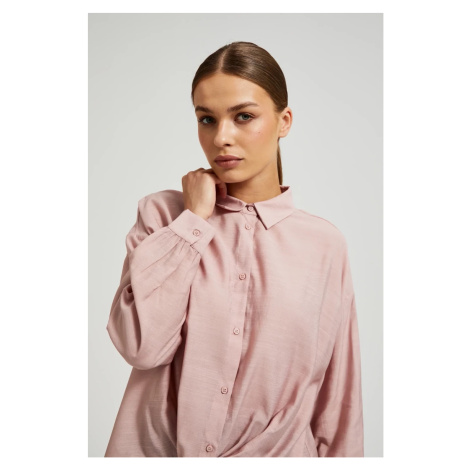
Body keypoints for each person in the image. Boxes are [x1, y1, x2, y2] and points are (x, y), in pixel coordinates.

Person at [104, 41, 364, 457]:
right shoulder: (164, 217)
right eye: (207, 119)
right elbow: (142, 345)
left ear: (284, 121)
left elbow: (338, 401)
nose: (221, 137)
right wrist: (193, 221)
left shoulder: (324, 246)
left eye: (244, 116)